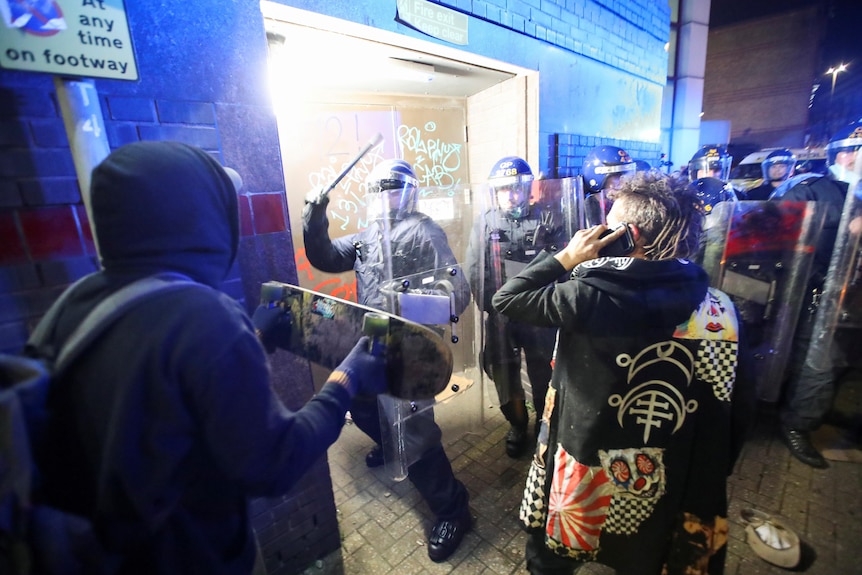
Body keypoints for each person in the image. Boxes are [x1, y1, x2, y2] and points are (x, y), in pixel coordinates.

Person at [26, 141, 388, 574]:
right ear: (197, 219)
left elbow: (163, 393)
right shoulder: (202, 315)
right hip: (188, 556)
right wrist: (346, 379)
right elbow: (274, 463)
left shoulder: (78, 303)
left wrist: (253, 338)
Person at [493, 171, 755, 575]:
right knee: (646, 556)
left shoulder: (585, 296)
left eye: (607, 224)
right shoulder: (719, 310)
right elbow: (735, 409)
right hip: (669, 478)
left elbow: (508, 297)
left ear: (627, 235)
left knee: (554, 558)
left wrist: (568, 256)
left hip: (583, 468)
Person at [302, 158, 472, 562]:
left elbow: (458, 293)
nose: (386, 198)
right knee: (359, 405)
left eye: (393, 190)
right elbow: (325, 257)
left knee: (414, 432)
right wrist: (315, 213)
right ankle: (390, 443)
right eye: (380, 191)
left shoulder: (423, 231)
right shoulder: (368, 234)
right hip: (373, 342)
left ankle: (453, 510)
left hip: (411, 347)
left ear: (409, 193)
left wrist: (407, 307)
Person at [769, 120, 862, 468]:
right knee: (816, 362)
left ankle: (817, 411)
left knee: (839, 360)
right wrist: (845, 227)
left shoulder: (856, 192)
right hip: (810, 294)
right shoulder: (809, 189)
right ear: (847, 154)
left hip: (846, 296)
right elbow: (773, 239)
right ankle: (798, 424)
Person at [465, 157, 566, 458]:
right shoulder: (485, 222)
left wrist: (552, 305)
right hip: (502, 314)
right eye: (504, 190)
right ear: (496, 192)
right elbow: (474, 267)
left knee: (543, 373)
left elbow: (563, 262)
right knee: (502, 371)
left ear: (526, 189)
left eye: (515, 188)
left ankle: (543, 424)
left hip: (538, 312)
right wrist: (491, 306)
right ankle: (517, 424)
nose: (510, 195)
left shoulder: (549, 219)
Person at [582, 145, 637, 226]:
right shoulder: (584, 211)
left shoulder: (626, 204)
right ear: (598, 177)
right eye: (618, 176)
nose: (625, 182)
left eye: (627, 176)